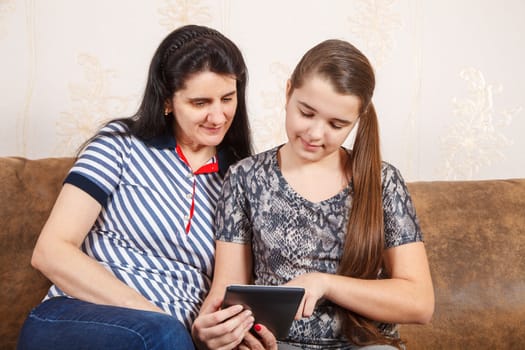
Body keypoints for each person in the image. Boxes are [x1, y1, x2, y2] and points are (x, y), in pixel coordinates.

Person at [17, 24, 257, 350]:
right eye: (200, 103)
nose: (218, 116)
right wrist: (161, 319)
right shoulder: (119, 144)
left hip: (176, 342)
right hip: (74, 318)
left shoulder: (240, 180)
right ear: (168, 101)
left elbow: (227, 297)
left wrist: (214, 335)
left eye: (227, 98)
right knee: (161, 335)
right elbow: (50, 252)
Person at [193, 39, 435, 349]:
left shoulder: (382, 181)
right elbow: (227, 290)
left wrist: (324, 283)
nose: (315, 134)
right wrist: (210, 333)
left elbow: (419, 303)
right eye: (307, 113)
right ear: (288, 92)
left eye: (337, 124)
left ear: (357, 121)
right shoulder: (244, 177)